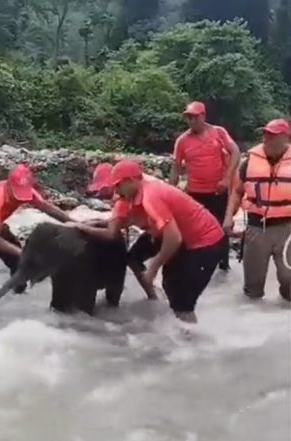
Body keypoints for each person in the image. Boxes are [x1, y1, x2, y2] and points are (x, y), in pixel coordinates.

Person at [71, 160, 227, 323]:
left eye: (118, 185)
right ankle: (178, 332)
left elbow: (174, 238)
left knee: (183, 303)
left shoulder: (151, 196)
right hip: (185, 238)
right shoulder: (139, 190)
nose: (116, 191)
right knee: (171, 285)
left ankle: (191, 341)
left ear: (131, 181)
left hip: (207, 242)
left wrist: (153, 268)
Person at [0, 164, 74, 310]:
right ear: (9, 185)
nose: (20, 200)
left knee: (18, 263)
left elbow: (48, 208)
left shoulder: (29, 192)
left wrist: (75, 224)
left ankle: (18, 301)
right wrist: (26, 254)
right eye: (17, 195)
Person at [224, 119, 291, 303]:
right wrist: (229, 217)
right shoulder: (250, 161)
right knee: (252, 288)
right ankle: (250, 321)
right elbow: (237, 192)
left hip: (287, 228)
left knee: (289, 281)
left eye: (272, 135)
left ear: (286, 138)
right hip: (256, 227)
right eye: (265, 133)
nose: (266, 138)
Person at [170, 101, 240, 270]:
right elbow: (176, 168)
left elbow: (236, 152)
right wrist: (172, 191)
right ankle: (199, 261)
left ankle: (223, 263)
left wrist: (226, 178)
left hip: (218, 191)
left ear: (203, 116)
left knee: (221, 227)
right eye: (189, 118)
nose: (192, 121)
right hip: (195, 192)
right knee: (195, 229)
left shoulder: (218, 132)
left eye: (195, 117)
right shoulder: (182, 141)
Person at [86, 162, 159, 300]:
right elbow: (125, 220)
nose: (100, 193)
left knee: (133, 259)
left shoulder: (121, 198)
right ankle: (154, 294)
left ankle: (153, 296)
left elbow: (111, 233)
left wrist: (84, 227)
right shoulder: (137, 184)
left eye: (103, 188)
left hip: (160, 230)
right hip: (160, 226)